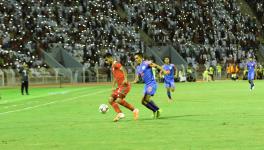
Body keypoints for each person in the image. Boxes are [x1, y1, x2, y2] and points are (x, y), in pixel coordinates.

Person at [104, 53, 139, 122]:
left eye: (106, 59)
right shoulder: (112, 67)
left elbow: (123, 69)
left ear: (110, 58)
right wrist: (113, 87)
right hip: (120, 86)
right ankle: (120, 113)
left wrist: (125, 78)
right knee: (110, 99)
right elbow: (115, 77)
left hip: (125, 86)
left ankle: (135, 110)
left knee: (118, 100)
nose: (106, 61)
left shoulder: (115, 63)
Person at [133, 53, 167, 119]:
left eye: (137, 58)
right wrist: (129, 82)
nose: (136, 59)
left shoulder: (146, 63)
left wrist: (164, 71)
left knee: (146, 99)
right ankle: (155, 111)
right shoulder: (138, 67)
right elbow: (136, 79)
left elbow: (156, 66)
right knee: (143, 102)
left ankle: (158, 110)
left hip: (152, 84)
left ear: (141, 57)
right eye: (135, 58)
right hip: (146, 85)